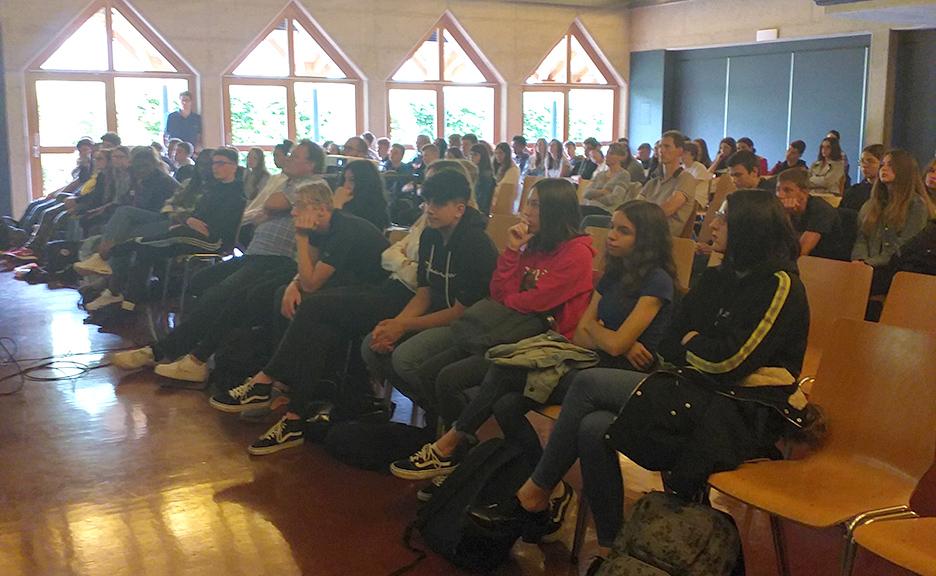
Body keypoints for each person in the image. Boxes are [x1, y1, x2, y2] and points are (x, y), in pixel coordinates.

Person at [470, 188, 810, 550]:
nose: (713, 224)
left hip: (739, 411)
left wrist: (690, 342)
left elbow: (727, 362)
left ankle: (534, 493)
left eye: (724, 218)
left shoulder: (780, 285)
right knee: (593, 427)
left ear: (748, 228)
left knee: (588, 383)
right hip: (694, 390)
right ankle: (610, 545)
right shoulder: (718, 277)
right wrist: (693, 342)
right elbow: (671, 343)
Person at [395, 201, 675, 502]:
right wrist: (612, 337)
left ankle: (450, 445)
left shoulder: (657, 281)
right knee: (505, 404)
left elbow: (612, 343)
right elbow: (583, 335)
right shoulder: (613, 274)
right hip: (588, 359)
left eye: (624, 231)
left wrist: (608, 335)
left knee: (506, 368)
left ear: (646, 239)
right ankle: (549, 486)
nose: (612, 235)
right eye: (613, 227)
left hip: (619, 377)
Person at [389, 178, 596, 479]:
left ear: (555, 210)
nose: (527, 211)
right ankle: (460, 451)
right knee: (428, 371)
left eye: (535, 205)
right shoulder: (534, 245)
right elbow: (499, 291)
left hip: (544, 345)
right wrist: (512, 250)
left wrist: (510, 300)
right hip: (509, 331)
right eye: (528, 202)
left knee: (450, 379)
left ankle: (453, 449)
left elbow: (537, 301)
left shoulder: (577, 254)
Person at [108, 141, 326, 378]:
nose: (289, 159)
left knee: (222, 294)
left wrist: (269, 210)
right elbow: (264, 209)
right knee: (201, 282)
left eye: (296, 156)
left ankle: (173, 353)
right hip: (255, 254)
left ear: (311, 165)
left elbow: (271, 204)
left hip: (276, 259)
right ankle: (193, 348)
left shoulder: (312, 186)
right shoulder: (288, 184)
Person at [360, 170, 498, 420]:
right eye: (428, 202)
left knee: (405, 359)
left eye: (438, 203)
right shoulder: (430, 235)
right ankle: (436, 411)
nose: (429, 210)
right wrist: (394, 325)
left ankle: (459, 416)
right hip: (438, 315)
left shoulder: (477, 244)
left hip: (469, 325)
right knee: (372, 345)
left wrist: (404, 326)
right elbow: (424, 294)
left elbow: (461, 312)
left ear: (459, 209)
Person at [91, 147, 247, 312]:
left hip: (214, 241)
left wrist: (189, 221)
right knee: (146, 250)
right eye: (214, 163)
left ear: (234, 166)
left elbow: (214, 229)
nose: (215, 167)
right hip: (191, 231)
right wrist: (187, 220)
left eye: (221, 163)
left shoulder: (236, 195)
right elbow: (193, 215)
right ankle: (129, 303)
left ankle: (109, 252)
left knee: (160, 237)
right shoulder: (211, 190)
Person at [853, 149, 932, 291]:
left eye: (890, 165)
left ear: (903, 169)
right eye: (882, 165)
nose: (884, 169)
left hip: (895, 269)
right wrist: (859, 260)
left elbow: (904, 246)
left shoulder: (916, 205)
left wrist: (869, 263)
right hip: (866, 267)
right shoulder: (872, 204)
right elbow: (862, 238)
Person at [776, 168, 847, 259]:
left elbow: (801, 252)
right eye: (778, 189)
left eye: (787, 190)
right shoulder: (782, 209)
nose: (780, 195)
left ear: (804, 192)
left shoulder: (821, 210)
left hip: (824, 262)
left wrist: (785, 215)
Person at [638, 131, 697, 236]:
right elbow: (636, 205)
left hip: (663, 235)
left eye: (667, 146)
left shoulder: (686, 179)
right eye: (660, 147)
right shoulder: (653, 182)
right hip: (644, 229)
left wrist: (640, 218)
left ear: (680, 151)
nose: (661, 151)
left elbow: (669, 208)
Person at [839, 144, 884, 253]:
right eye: (862, 161)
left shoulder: (885, 193)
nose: (864, 165)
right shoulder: (853, 190)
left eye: (870, 161)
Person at [333, 159, 390, 230]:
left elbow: (338, 230)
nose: (345, 185)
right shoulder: (347, 202)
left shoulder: (370, 211)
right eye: (344, 179)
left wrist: (337, 204)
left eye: (352, 180)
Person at [582, 142, 634, 213]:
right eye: (607, 153)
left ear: (621, 157)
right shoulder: (600, 174)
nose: (607, 156)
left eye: (611, 154)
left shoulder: (624, 175)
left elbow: (615, 199)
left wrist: (594, 198)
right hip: (590, 207)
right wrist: (602, 192)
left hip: (608, 211)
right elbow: (586, 193)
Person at [469, 143, 497, 216]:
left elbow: (482, 199)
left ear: (482, 156)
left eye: (475, 155)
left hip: (480, 212)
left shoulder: (485, 175)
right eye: (471, 154)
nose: (472, 157)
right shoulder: (476, 172)